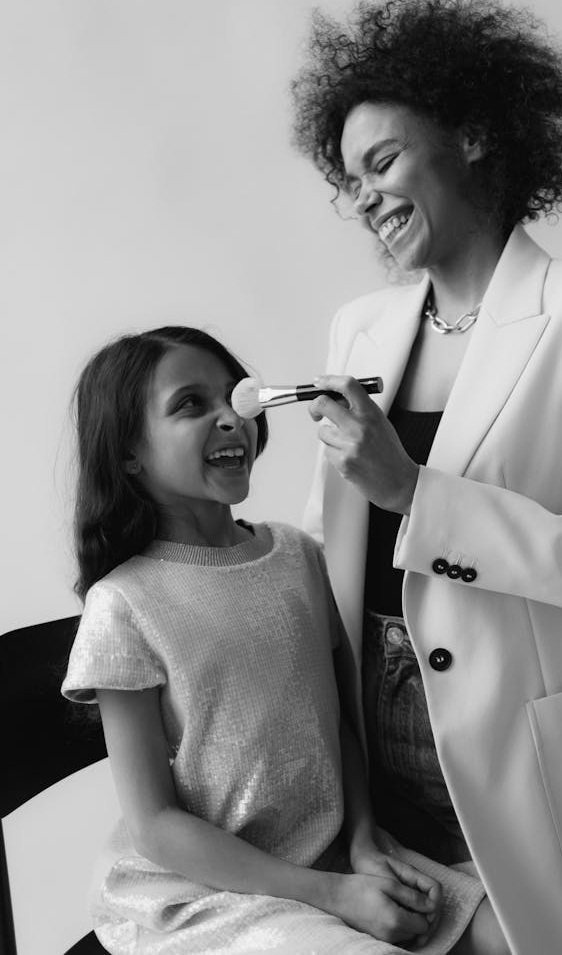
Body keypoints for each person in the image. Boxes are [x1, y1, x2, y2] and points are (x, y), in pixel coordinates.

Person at [292, 0, 562, 955]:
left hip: (527, 775)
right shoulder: (361, 327)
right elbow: (324, 554)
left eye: (382, 161)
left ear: (474, 134)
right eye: (349, 181)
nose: (365, 200)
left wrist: (413, 496)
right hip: (373, 775)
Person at [61, 325, 489, 955]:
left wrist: (366, 843)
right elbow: (154, 826)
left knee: (524, 930)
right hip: (208, 894)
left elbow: (336, 723)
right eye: (190, 405)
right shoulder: (122, 604)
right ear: (129, 454)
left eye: (233, 397)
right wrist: (329, 895)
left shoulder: (297, 556)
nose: (230, 418)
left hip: (334, 858)